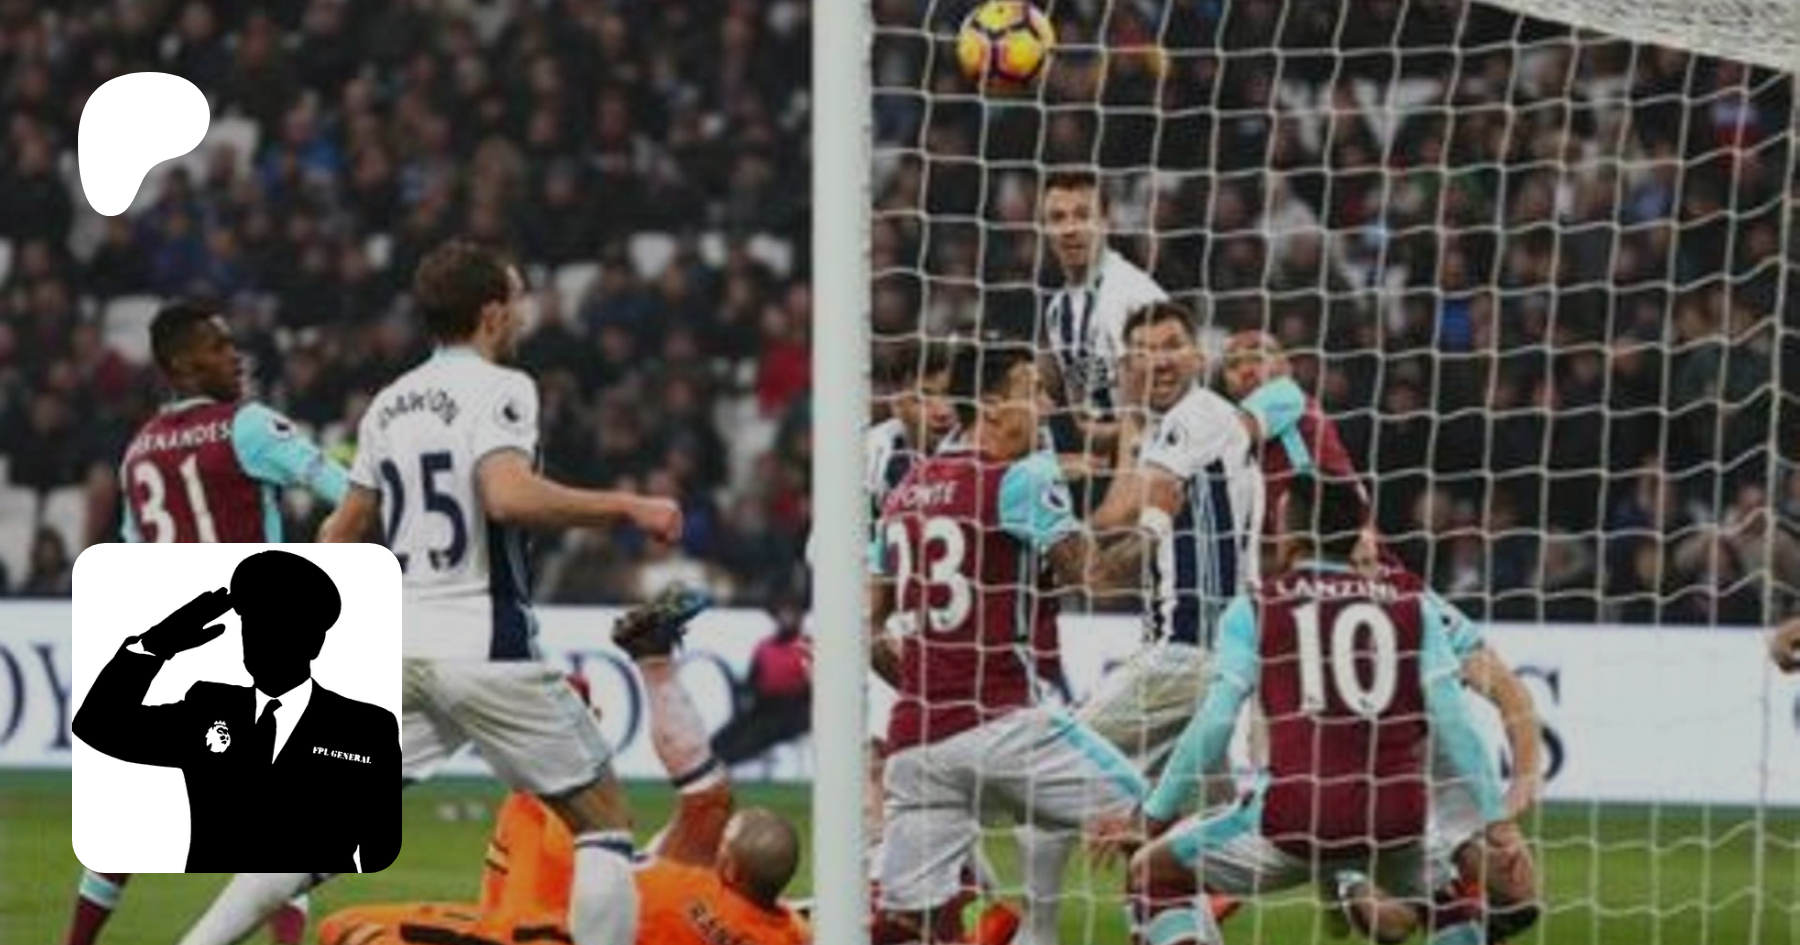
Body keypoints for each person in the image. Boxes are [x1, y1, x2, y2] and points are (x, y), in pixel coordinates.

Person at [175, 240, 682, 945]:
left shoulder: (388, 404)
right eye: (516, 299)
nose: (522, 312)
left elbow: (341, 528)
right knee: (604, 824)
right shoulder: (504, 387)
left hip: (404, 645)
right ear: (492, 313)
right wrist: (628, 506)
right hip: (484, 645)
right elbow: (507, 495)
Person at [1091, 473, 1529, 945]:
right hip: (1396, 818)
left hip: (1298, 819)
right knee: (1444, 896)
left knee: (1151, 872)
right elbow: (1455, 723)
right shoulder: (1413, 606)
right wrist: (1496, 822)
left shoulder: (1256, 608)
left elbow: (1215, 722)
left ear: (1290, 534)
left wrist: (1153, 815)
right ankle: (1436, 913)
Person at [1224, 330, 1545, 941]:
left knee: (1515, 897)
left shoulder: (1284, 407)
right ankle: (1364, 882)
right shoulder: (1279, 586)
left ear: (1286, 366)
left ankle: (1422, 885)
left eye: (1256, 356)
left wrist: (1518, 791)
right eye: (1232, 363)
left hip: (1421, 755)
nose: (1245, 369)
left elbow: (1507, 689)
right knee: (1389, 922)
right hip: (1351, 771)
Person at [1016, 303, 1304, 943]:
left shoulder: (1193, 417)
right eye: (1144, 351)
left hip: (1186, 654)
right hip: (1222, 660)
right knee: (1172, 839)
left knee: (1044, 774)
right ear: (1126, 367)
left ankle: (1036, 935)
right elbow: (1281, 400)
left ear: (1197, 357)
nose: (1161, 360)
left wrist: (1085, 554)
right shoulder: (1215, 422)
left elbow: (1140, 508)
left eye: (1172, 345)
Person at [315, 585, 811, 945]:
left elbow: (679, 805)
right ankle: (645, 665)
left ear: (729, 867)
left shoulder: (681, 891)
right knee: (703, 804)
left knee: (345, 927)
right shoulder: (782, 933)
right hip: (560, 903)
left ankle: (634, 672)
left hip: (540, 919)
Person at [867, 341, 1146, 944]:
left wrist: (924, 681)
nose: (1045, 407)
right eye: (1032, 392)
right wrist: (1156, 523)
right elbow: (1091, 577)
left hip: (917, 741)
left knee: (904, 921)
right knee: (1151, 816)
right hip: (1002, 724)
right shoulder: (1018, 477)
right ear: (992, 405)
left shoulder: (904, 490)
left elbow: (867, 625)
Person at [71, 550, 398, 872]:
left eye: (276, 625)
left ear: (314, 643)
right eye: (251, 624)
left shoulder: (366, 728)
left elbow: (380, 851)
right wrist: (154, 646)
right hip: (209, 904)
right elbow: (97, 725)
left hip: (313, 904)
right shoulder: (208, 707)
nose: (257, 637)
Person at [118, 299, 349, 542]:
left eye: (231, 345)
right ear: (181, 363)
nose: (235, 356)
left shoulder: (137, 451)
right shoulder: (246, 425)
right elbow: (351, 493)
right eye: (218, 348)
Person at [1035, 169, 1169, 464]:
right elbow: (1083, 412)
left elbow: (1162, 415)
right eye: (1057, 218)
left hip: (1157, 462)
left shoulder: (1135, 295)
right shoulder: (1057, 309)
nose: (1070, 229)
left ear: (1106, 222)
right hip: (1106, 464)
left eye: (1083, 215)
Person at [711, 589, 813, 767]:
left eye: (792, 613)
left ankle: (726, 763)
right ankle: (713, 759)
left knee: (757, 736)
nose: (787, 618)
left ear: (800, 616)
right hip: (763, 708)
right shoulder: (764, 647)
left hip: (795, 712)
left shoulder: (808, 646)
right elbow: (752, 681)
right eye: (783, 613)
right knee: (723, 738)